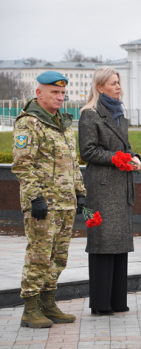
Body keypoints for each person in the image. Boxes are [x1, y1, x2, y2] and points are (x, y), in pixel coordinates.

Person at [12, 71, 86, 328]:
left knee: (59, 257)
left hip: (65, 203)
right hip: (42, 205)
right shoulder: (29, 123)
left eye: (63, 93)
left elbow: (73, 163)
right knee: (39, 256)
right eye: (54, 92)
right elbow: (22, 165)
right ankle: (30, 309)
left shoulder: (64, 123)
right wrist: (35, 198)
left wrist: (80, 194)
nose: (60, 97)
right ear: (39, 93)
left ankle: (48, 303)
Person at [78, 67, 141, 315]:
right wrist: (118, 158)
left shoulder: (119, 113)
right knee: (103, 243)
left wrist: (133, 156)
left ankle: (118, 301)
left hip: (121, 185)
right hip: (103, 188)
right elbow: (88, 152)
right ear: (100, 87)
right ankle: (101, 304)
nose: (118, 87)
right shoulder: (89, 115)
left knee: (119, 244)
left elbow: (125, 146)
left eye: (118, 82)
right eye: (113, 83)